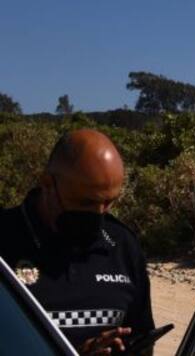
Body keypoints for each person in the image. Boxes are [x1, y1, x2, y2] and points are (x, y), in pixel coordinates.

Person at [0, 129, 154, 354]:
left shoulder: (122, 246)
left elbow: (142, 340)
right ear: (47, 184)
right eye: (86, 202)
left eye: (109, 202)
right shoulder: (5, 239)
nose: (98, 215)